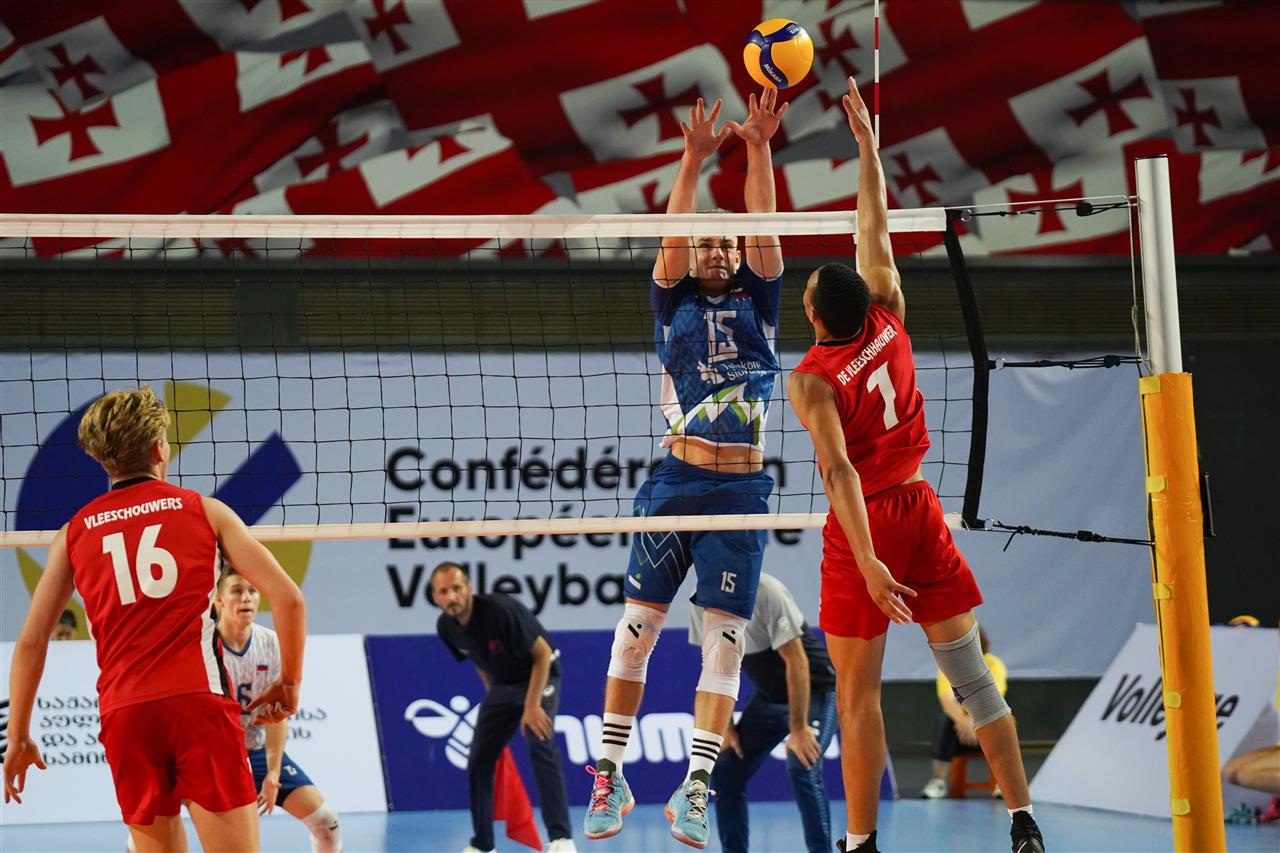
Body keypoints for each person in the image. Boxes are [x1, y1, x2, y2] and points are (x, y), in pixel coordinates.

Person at [785, 78, 1045, 853]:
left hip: (864, 525)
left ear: (812, 315)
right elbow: (874, 228)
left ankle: (861, 841)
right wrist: (869, 150)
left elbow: (839, 474)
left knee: (858, 701)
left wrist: (868, 561)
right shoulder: (889, 308)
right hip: (920, 511)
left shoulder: (811, 380)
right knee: (974, 680)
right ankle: (1023, 820)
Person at [582, 87, 789, 849]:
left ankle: (695, 786)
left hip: (742, 489)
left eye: (727, 245)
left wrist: (758, 148)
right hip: (675, 482)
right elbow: (674, 233)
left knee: (724, 641)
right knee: (635, 631)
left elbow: (763, 225)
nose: (719, 251)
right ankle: (609, 773)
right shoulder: (671, 304)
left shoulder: (762, 301)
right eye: (708, 244)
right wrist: (694, 160)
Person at [2, 386, 306, 853]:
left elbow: (31, 641)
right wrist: (289, 684)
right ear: (160, 449)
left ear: (101, 459)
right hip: (198, 704)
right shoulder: (204, 510)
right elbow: (289, 599)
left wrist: (19, 736)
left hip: (125, 714)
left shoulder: (73, 533)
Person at [429, 561, 576, 853]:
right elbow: (479, 659)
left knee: (538, 740)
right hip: (502, 685)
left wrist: (531, 707)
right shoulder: (446, 627)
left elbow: (543, 654)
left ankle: (562, 839)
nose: (451, 597)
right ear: (436, 597)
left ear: (469, 588)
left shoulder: (500, 610)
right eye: (443, 592)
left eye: (456, 588)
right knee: (479, 760)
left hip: (540, 674)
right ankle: (483, 845)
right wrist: (493, 702)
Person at [688, 572, 837, 853]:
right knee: (727, 769)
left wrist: (799, 729)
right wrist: (725, 728)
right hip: (770, 698)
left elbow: (797, 662)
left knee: (802, 765)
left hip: (816, 691)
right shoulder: (701, 601)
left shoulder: (768, 592)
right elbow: (714, 669)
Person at [216, 562, 342, 851]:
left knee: (327, 823)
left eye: (252, 591)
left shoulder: (271, 642)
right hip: (213, 756)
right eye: (237, 591)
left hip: (256, 749)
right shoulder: (206, 646)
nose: (246, 598)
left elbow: (277, 713)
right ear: (219, 600)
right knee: (152, 828)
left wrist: (273, 773)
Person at [920, 623, 1008, 799]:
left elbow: (991, 699)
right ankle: (938, 781)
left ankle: (1004, 783)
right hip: (961, 734)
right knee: (944, 720)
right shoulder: (946, 666)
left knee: (1004, 721)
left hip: (985, 729)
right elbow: (947, 701)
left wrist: (974, 721)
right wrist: (965, 722)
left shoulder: (994, 664)